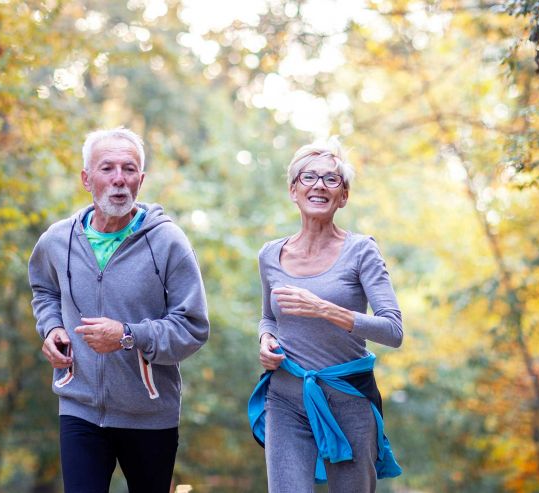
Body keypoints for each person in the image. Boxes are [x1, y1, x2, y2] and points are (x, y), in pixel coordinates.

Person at [28, 127, 209, 493]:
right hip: (79, 407)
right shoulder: (57, 240)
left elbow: (192, 327)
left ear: (141, 180)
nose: (119, 180)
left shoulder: (167, 241)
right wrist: (51, 329)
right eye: (107, 168)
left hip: (149, 414)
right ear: (86, 178)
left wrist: (128, 335)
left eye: (129, 170)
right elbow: (44, 290)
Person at [248, 137, 403, 493]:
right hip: (285, 397)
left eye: (331, 179)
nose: (319, 185)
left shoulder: (361, 251)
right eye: (308, 177)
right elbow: (268, 317)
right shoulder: (270, 256)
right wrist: (265, 338)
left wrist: (325, 309)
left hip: (348, 398)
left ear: (344, 196)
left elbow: (393, 330)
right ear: (293, 190)